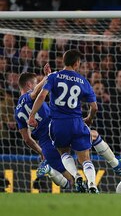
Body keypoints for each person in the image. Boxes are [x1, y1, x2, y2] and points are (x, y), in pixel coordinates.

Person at [28, 50, 96, 193]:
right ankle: (92, 185)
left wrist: (32, 115)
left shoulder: (54, 76)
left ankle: (77, 176)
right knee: (85, 158)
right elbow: (94, 107)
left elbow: (41, 97)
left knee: (64, 152)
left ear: (64, 61)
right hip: (77, 122)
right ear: (77, 63)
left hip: (59, 124)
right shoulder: (83, 81)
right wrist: (89, 118)